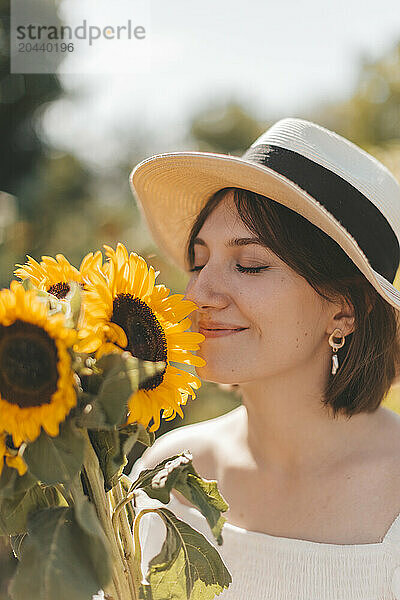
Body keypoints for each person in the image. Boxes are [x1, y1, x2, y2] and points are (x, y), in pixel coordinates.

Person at [128, 117, 400, 599]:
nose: (199, 293)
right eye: (198, 260)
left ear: (344, 310)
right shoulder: (168, 476)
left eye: (249, 264)